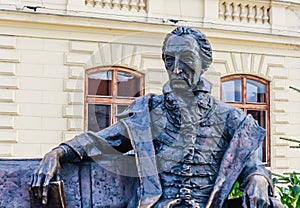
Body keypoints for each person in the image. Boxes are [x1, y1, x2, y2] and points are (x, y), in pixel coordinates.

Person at [31, 26, 283, 208]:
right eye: (169, 60)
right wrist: (59, 152)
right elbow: (101, 142)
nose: (175, 69)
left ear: (204, 63)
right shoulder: (148, 113)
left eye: (185, 60)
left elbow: (254, 167)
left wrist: (258, 179)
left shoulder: (230, 119)